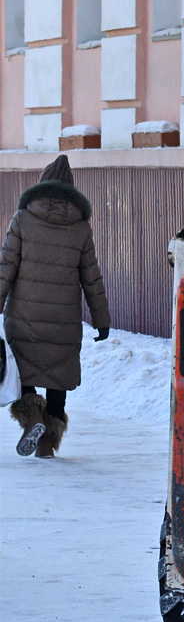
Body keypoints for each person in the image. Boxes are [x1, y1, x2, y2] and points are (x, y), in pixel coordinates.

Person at [0, 155, 111, 458]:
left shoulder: (23, 218)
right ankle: (47, 443)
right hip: (64, 318)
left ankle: (32, 418)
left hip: (25, 315)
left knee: (22, 371)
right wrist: (102, 320)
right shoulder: (80, 228)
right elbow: (92, 278)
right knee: (58, 376)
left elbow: (5, 267)